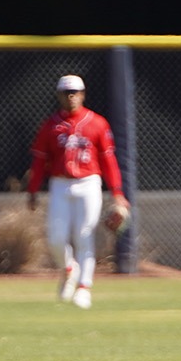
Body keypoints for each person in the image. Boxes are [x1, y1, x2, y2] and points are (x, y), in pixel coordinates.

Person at [25, 73, 125, 309]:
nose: (71, 97)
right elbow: (39, 161)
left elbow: (109, 161)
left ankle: (84, 287)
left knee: (84, 235)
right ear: (59, 95)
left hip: (89, 182)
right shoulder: (50, 125)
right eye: (66, 93)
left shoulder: (97, 122)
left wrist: (117, 192)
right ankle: (69, 268)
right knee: (56, 238)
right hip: (60, 184)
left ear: (83, 94)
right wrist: (32, 190)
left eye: (75, 92)